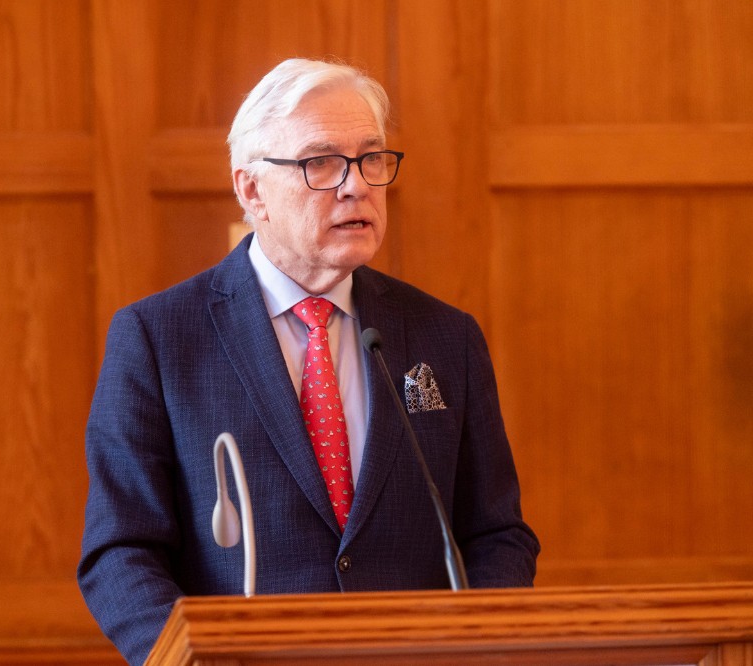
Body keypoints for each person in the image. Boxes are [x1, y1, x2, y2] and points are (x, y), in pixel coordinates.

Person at [78, 58, 539, 665]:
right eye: (321, 162)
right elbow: (120, 551)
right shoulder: (158, 337)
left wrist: (475, 652)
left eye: (371, 159)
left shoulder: (445, 336)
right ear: (251, 189)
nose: (356, 186)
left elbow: (496, 535)